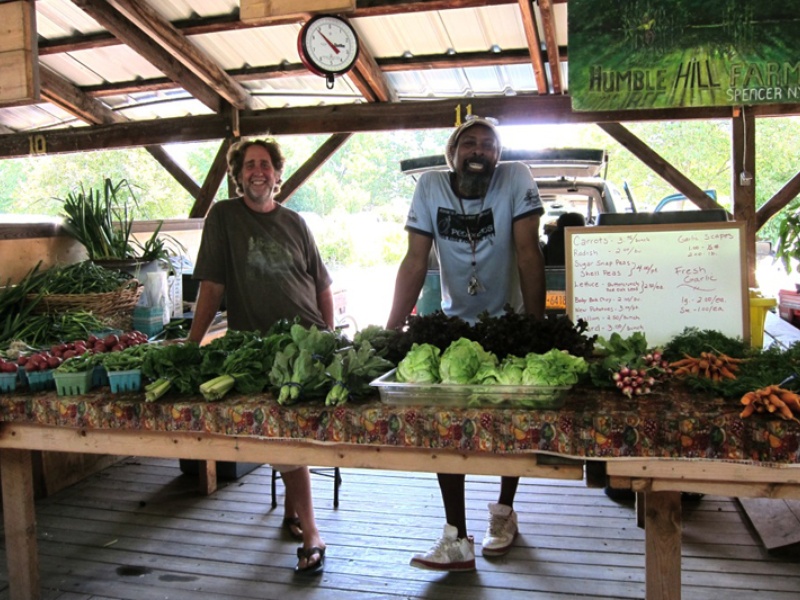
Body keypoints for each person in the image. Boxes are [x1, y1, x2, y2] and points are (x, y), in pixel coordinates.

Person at [386, 115, 546, 572]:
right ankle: (456, 536)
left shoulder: (515, 178)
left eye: (489, 145)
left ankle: (504, 513)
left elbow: (529, 253)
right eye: (469, 143)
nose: (479, 151)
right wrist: (392, 326)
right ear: (453, 154)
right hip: (455, 324)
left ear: (498, 155)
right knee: (445, 426)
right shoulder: (431, 187)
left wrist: (533, 328)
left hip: (508, 323)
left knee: (510, 420)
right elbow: (415, 261)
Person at [188, 137, 332, 575]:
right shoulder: (224, 218)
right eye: (249, 164)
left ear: (276, 173)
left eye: (265, 164)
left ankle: (297, 519)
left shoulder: (296, 222)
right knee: (284, 437)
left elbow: (321, 284)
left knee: (289, 435)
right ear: (237, 174)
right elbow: (211, 286)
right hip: (260, 349)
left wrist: (327, 336)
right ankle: (310, 530)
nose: (258, 171)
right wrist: (191, 347)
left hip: (307, 343)